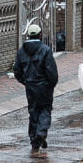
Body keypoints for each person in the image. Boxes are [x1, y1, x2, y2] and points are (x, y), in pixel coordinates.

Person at [11, 22, 59, 152]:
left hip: (30, 87)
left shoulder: (22, 51)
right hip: (44, 86)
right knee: (45, 109)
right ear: (40, 34)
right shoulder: (45, 50)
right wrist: (51, 84)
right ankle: (41, 132)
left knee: (33, 112)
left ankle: (34, 141)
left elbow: (17, 71)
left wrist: (26, 82)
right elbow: (51, 72)